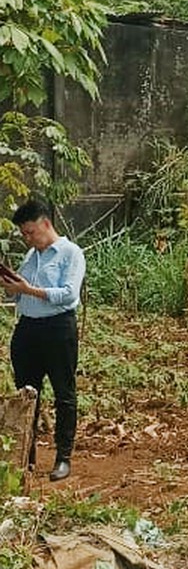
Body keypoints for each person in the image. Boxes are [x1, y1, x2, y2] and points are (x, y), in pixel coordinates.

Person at [1, 199, 85, 481]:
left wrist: (30, 289)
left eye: (30, 232)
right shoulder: (30, 257)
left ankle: (63, 457)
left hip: (58, 329)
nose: (27, 238)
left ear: (45, 224)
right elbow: (21, 294)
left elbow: (69, 294)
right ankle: (27, 457)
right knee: (26, 394)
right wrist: (13, 287)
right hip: (28, 330)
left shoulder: (70, 253)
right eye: (23, 234)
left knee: (64, 393)